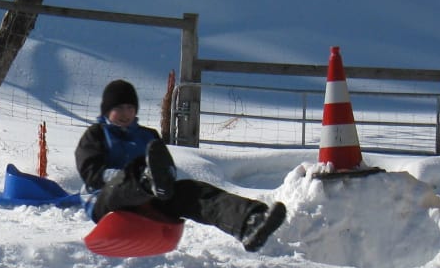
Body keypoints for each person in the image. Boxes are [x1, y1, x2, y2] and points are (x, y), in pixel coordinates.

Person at [75, 79, 286, 252]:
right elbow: (91, 174)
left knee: (191, 191)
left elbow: (166, 167)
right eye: (119, 108)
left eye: (130, 108)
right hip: (106, 201)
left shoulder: (148, 136)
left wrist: (164, 177)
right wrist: (132, 175)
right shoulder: (96, 134)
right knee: (128, 179)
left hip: (149, 200)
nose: (125, 113)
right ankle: (146, 179)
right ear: (107, 110)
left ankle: (249, 222)